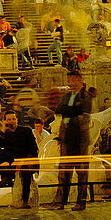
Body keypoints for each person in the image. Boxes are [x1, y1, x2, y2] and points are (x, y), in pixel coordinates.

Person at [44, 70, 91, 211]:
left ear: (80, 80)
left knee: (81, 172)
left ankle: (81, 201)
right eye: (69, 80)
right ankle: (60, 201)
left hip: (79, 138)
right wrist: (70, 110)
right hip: (66, 138)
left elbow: (83, 114)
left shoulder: (86, 96)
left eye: (73, 80)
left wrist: (69, 112)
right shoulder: (69, 96)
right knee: (64, 172)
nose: (70, 83)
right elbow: (59, 109)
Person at [0, 111, 38, 208]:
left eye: (13, 119)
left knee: (25, 172)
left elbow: (33, 148)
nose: (11, 121)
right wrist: (2, 130)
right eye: (9, 119)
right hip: (12, 160)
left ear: (17, 120)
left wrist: (23, 161)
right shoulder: (6, 133)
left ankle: (25, 201)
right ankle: (6, 177)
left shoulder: (26, 131)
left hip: (26, 159)